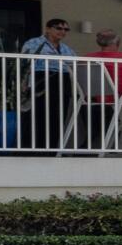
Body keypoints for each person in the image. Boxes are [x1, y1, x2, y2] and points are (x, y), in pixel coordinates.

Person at [20, 17, 80, 152]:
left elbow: (76, 64)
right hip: (41, 81)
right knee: (38, 116)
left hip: (62, 83)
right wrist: (25, 84)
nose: (62, 32)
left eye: (66, 29)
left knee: (58, 117)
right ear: (48, 29)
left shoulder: (66, 48)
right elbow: (25, 64)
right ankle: (33, 149)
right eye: (58, 28)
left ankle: (52, 149)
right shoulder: (33, 43)